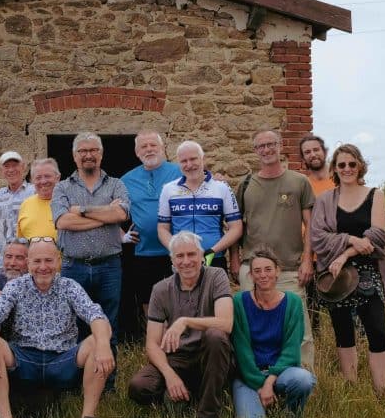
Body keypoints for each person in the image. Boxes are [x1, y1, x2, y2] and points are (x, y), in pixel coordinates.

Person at [0, 238, 115, 418]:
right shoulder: (15, 286)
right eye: (37, 261)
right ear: (29, 264)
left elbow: (96, 315)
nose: (43, 267)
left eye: (49, 260)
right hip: (24, 358)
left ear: (59, 262)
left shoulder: (70, 286)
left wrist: (104, 345)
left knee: (97, 340)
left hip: (63, 359)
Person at [127, 231, 234, 418]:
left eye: (191, 255)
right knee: (138, 386)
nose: (186, 261)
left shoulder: (216, 276)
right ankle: (181, 396)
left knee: (215, 336)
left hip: (209, 355)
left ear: (201, 255)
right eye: (180, 256)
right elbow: (152, 344)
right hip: (177, 358)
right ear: (172, 261)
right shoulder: (160, 289)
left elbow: (226, 323)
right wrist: (169, 374)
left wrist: (184, 321)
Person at [310, 144, 385, 396]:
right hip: (337, 275)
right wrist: (352, 239)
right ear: (334, 168)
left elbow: (377, 235)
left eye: (352, 164)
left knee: (376, 329)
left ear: (360, 166)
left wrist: (347, 250)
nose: (347, 169)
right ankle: (351, 387)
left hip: (368, 272)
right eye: (341, 164)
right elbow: (318, 236)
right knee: (343, 331)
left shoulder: (375, 195)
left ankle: (382, 392)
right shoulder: (326, 200)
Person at [231, 130, 316, 370]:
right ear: (255, 150)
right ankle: (255, 380)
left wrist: (307, 260)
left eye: (271, 144)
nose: (266, 150)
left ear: (280, 146)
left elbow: (311, 225)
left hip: (290, 269)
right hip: (252, 270)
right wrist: (235, 261)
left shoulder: (299, 182)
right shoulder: (246, 185)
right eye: (261, 146)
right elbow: (237, 226)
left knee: (301, 331)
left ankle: (304, 380)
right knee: (251, 328)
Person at [52, 132, 131, 376]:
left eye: (93, 150)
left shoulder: (116, 184)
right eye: (83, 151)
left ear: (101, 153)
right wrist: (103, 216)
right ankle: (76, 378)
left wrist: (83, 210)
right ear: (75, 156)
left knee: (109, 323)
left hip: (109, 266)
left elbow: (121, 216)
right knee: (74, 325)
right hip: (73, 266)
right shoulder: (62, 187)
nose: (88, 155)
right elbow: (63, 221)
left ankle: (107, 380)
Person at [230, 248, 316, 418]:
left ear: (278, 271)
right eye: (257, 271)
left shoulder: (292, 302)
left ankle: (290, 417)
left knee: (304, 380)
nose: (263, 275)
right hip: (248, 375)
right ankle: (260, 404)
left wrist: (269, 382)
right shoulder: (238, 302)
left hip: (281, 372)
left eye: (268, 269)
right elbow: (242, 352)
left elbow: (292, 351)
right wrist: (260, 385)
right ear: (251, 276)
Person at [120, 130, 182, 319]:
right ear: (137, 153)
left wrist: (218, 177)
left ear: (162, 148)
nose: (149, 150)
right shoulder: (126, 180)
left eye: (153, 145)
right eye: (143, 147)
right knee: (149, 298)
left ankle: (179, 341)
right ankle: (154, 340)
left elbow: (204, 183)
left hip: (176, 248)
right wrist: (121, 234)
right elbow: (110, 209)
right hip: (144, 251)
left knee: (179, 296)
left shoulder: (179, 171)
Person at [157, 140, 242, 271]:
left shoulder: (222, 188)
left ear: (203, 159)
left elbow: (236, 227)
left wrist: (212, 251)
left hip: (214, 258)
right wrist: (177, 250)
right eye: (184, 161)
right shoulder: (168, 190)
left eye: (193, 159)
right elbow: (162, 228)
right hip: (182, 261)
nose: (189, 165)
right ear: (179, 163)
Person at [299, 133, 335, 331]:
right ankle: (318, 356)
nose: (312, 154)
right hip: (310, 257)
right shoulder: (302, 185)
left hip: (336, 255)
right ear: (303, 159)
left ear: (324, 152)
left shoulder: (339, 180)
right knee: (313, 314)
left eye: (315, 150)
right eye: (307, 152)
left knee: (342, 310)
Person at [0, 151, 35, 268]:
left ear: (23, 167)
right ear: (1, 171)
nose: (11, 170)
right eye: (6, 166)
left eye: (15, 165)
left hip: (30, 260)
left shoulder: (34, 192)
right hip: (3, 262)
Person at [17, 158, 60, 241]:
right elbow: (21, 240)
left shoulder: (69, 202)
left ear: (58, 178)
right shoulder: (25, 204)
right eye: (38, 178)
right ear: (32, 181)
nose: (43, 181)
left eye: (47, 176)